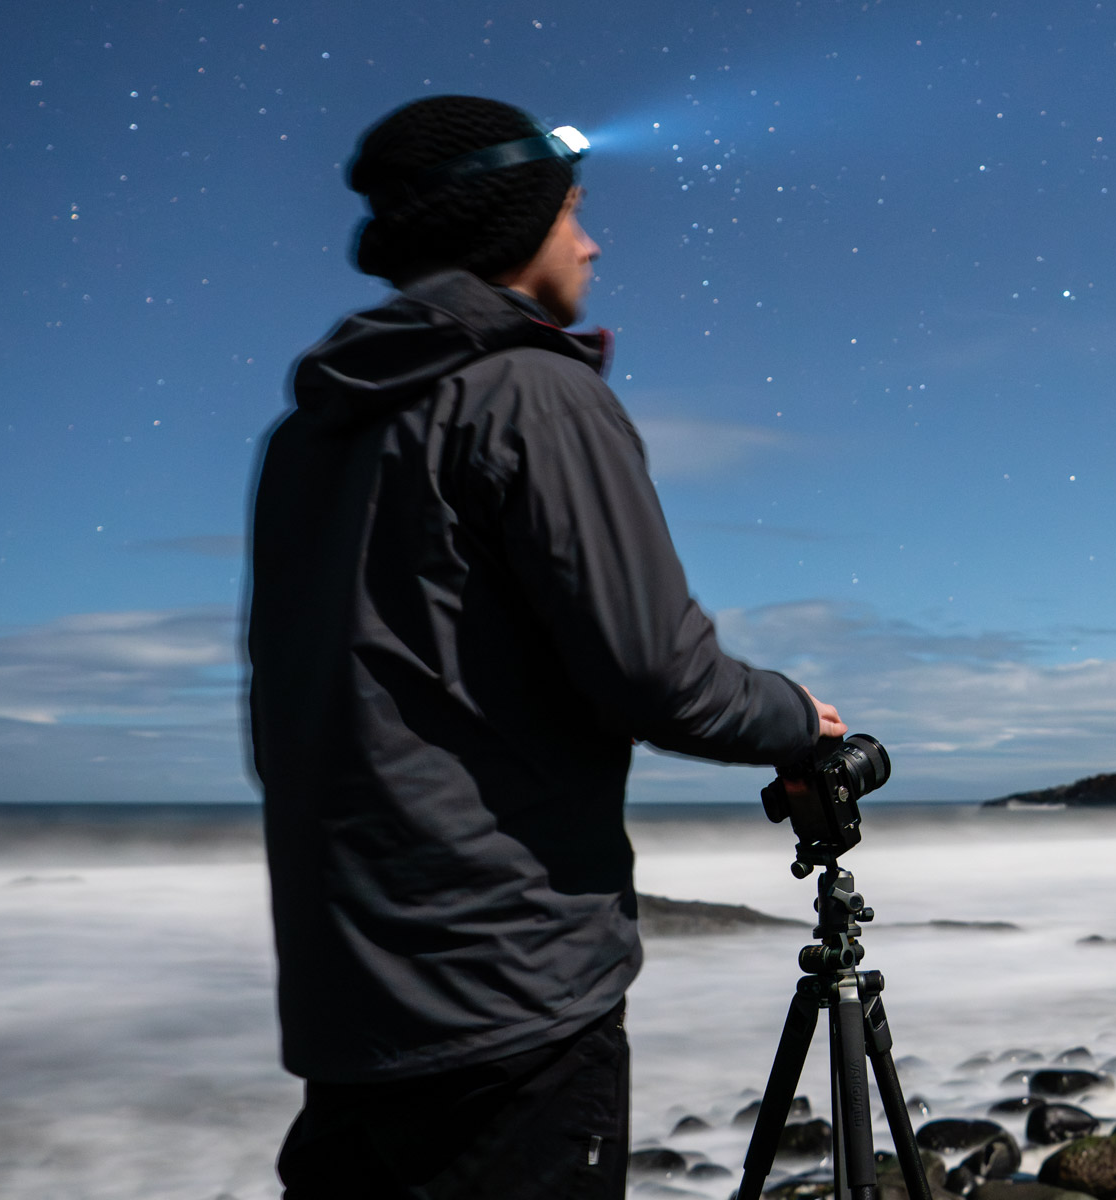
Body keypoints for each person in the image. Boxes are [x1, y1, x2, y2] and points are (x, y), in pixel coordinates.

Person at [246, 94, 843, 1198]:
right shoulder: (533, 395)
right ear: (508, 225)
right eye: (573, 212)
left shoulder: (310, 435)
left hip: (351, 997)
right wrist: (796, 719)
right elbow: (660, 676)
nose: (592, 240)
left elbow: (293, 705)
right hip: (508, 993)